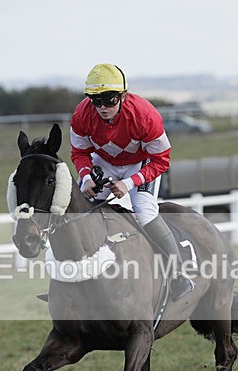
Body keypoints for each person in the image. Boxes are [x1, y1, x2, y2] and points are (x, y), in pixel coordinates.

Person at [69, 63, 194, 301]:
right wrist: (85, 177)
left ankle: (178, 274)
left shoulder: (146, 116)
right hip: (104, 162)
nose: (103, 107)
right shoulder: (82, 115)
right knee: (77, 209)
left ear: (123, 96)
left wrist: (129, 183)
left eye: (109, 100)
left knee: (145, 211)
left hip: (142, 163)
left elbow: (162, 160)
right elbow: (79, 152)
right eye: (96, 100)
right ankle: (69, 276)